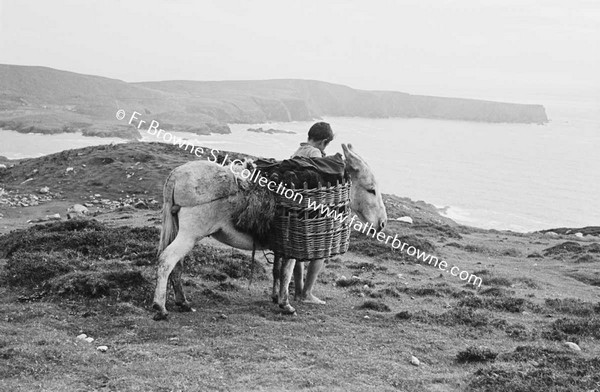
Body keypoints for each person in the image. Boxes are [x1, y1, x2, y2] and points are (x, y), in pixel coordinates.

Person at [290, 121, 334, 304]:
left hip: (292, 206)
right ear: (324, 141)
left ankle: (299, 291)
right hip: (307, 208)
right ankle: (306, 293)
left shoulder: (298, 151)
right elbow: (319, 179)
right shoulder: (315, 153)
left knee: (295, 252)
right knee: (321, 250)